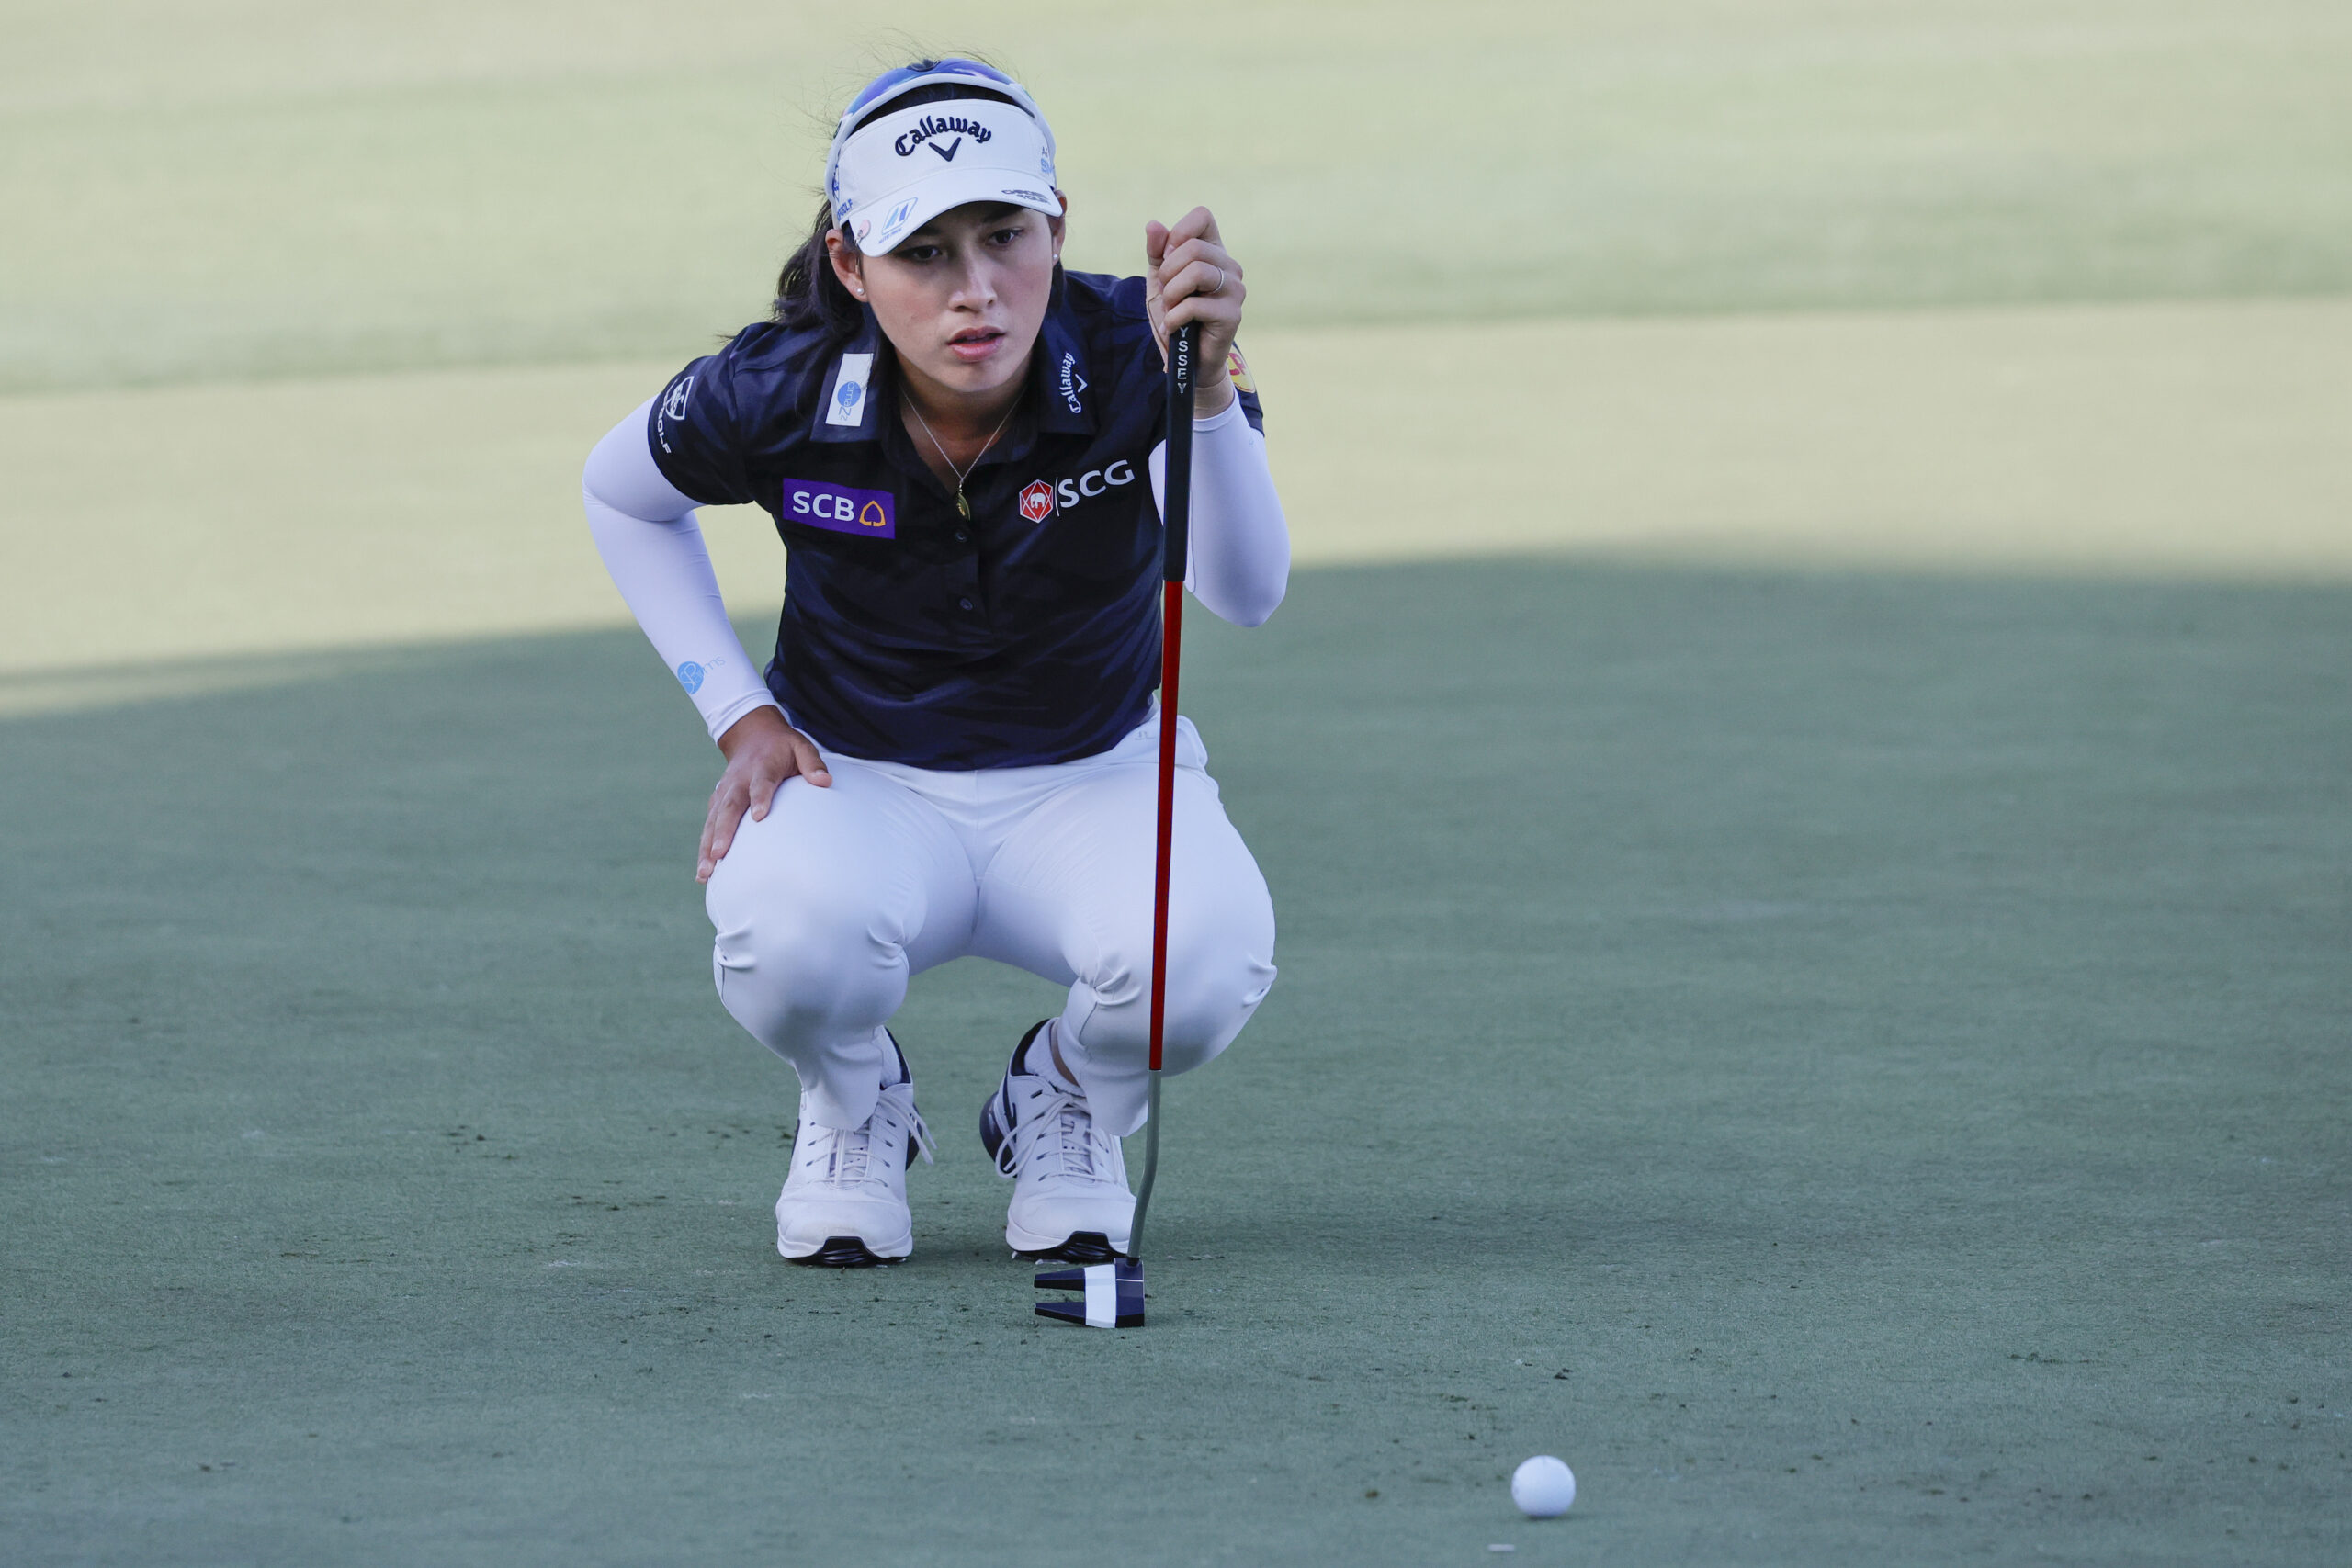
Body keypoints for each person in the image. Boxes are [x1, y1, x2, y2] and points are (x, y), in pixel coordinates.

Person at [581, 59, 1289, 1267]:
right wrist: (738, 713)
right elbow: (621, 494)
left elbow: (1245, 589)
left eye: (1007, 236)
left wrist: (1210, 383)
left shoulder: (1145, 350)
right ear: (853, 265)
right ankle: (855, 1106)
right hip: (858, 784)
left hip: (1096, 778)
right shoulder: (777, 385)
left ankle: (1063, 1096)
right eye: (924, 254)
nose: (978, 293)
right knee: (784, 940)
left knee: (1203, 967)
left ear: (1056, 229)